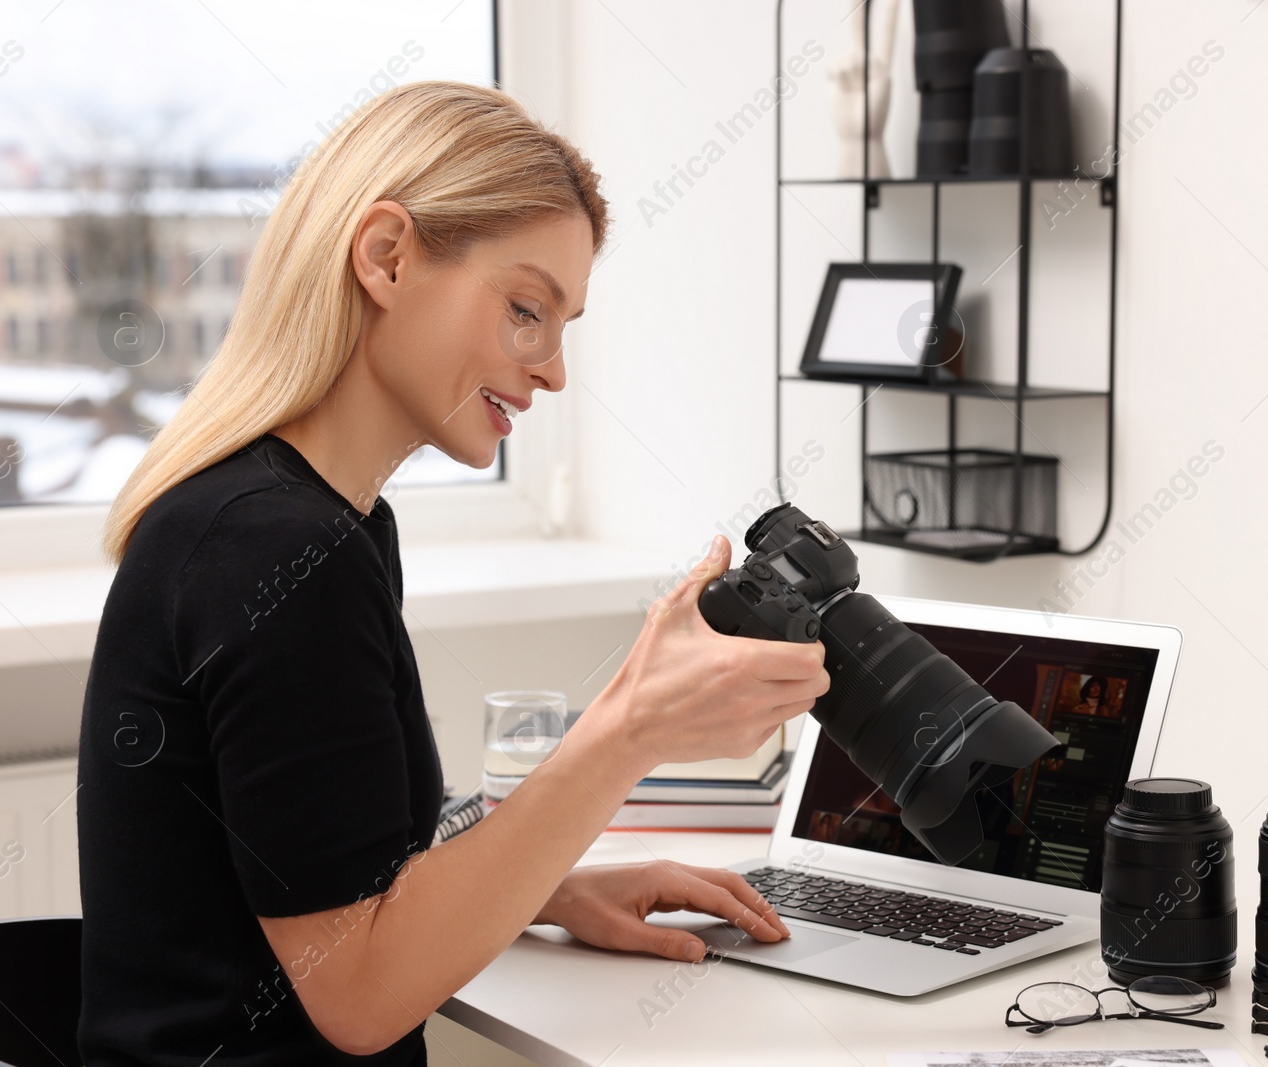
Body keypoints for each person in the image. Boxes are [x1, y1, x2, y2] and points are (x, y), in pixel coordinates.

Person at [76, 81, 830, 1064]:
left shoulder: (315, 521)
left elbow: (330, 856)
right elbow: (359, 994)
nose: (553, 369)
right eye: (525, 308)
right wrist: (629, 727)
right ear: (386, 256)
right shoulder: (275, 551)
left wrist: (550, 885)